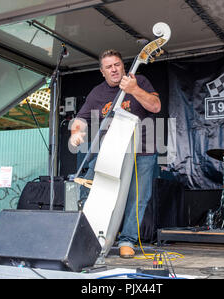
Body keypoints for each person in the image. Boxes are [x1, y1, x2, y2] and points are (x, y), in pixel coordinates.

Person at [69, 49, 161, 258]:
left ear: (123, 66)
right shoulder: (97, 92)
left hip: (142, 149)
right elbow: (81, 118)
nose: (114, 69)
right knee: (93, 191)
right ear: (102, 72)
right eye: (109, 67)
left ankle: (127, 240)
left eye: (117, 64)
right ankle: (94, 236)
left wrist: (134, 89)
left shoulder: (140, 80)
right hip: (110, 151)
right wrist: (76, 132)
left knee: (137, 197)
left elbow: (155, 106)